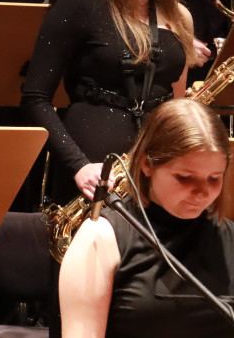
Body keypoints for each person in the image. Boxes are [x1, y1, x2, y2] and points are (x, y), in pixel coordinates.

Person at [22, 0, 194, 205]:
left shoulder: (179, 15)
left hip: (157, 167)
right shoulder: (79, 2)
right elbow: (35, 98)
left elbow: (177, 105)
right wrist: (77, 165)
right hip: (92, 171)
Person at [59, 98, 234, 337]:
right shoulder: (100, 238)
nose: (203, 193)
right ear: (147, 165)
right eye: (185, 177)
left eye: (214, 178)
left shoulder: (229, 238)